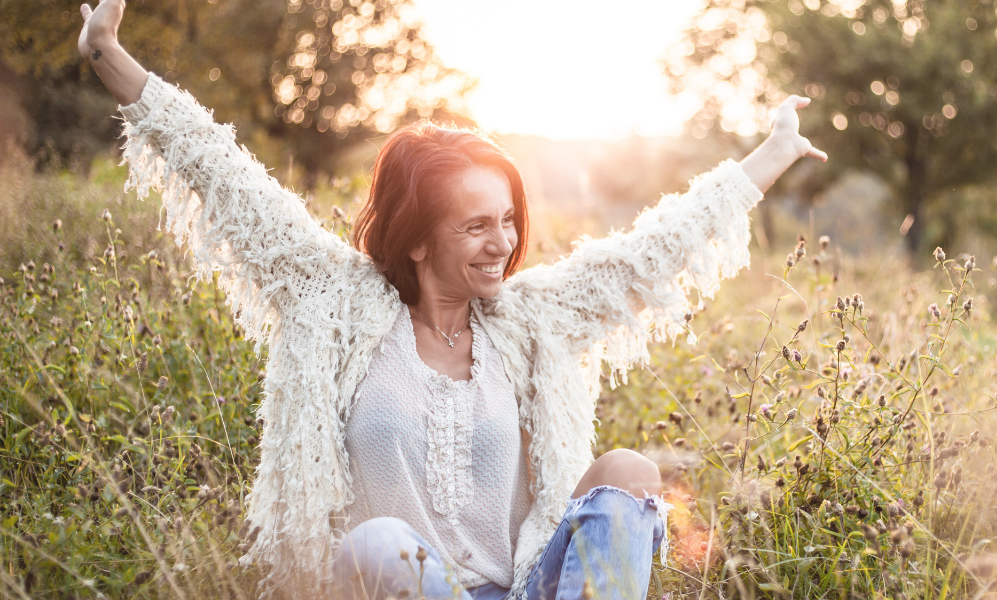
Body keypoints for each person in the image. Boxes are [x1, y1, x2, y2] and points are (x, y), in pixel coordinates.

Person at [76, 1, 828, 598]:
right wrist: (108, 53)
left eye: (507, 219)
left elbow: (652, 251)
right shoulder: (334, 299)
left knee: (629, 471)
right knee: (377, 543)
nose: (501, 241)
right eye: (474, 225)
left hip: (526, 589)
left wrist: (772, 152)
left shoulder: (527, 318)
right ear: (415, 238)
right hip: (395, 587)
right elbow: (223, 174)